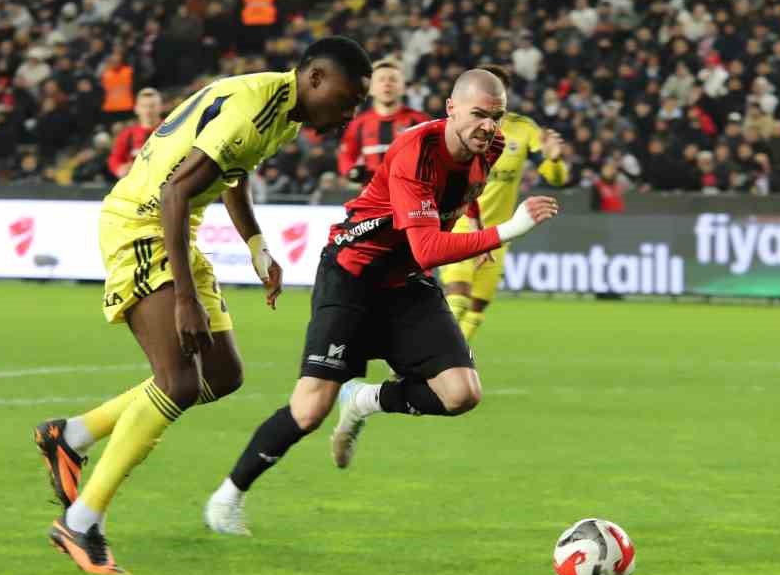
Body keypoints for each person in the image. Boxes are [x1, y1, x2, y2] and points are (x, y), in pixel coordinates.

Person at [33, 37, 373, 575]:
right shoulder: (253, 110)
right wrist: (185, 299)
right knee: (178, 382)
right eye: (349, 98)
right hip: (143, 225)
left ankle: (70, 435)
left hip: (174, 230)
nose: (351, 113)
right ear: (315, 78)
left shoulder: (280, 109)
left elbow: (231, 174)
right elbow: (174, 191)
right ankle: (81, 521)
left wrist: (257, 245)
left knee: (221, 373)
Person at [202, 69, 560, 534]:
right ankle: (228, 497)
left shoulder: (488, 148)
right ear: (451, 108)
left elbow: (466, 195)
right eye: (478, 115)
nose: (489, 127)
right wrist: (506, 230)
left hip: (404, 282)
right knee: (310, 411)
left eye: (497, 117)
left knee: (462, 394)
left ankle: (366, 399)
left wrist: (475, 223)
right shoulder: (416, 150)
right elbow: (429, 249)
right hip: (352, 273)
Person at [440, 64, 568, 343]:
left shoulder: (523, 129)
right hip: (461, 225)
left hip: (500, 233)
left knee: (476, 311)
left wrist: (554, 159)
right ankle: (427, 358)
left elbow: (555, 178)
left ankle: (447, 360)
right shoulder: (463, 125)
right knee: (457, 299)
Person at [336, 57, 429, 182]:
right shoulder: (359, 123)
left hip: (409, 195)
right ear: (370, 89)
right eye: (381, 80)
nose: (387, 84)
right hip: (371, 196)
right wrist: (352, 171)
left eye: (393, 79)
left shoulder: (420, 121)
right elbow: (346, 155)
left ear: (403, 88)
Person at [107, 88, 165, 179]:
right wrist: (119, 169)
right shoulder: (127, 134)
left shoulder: (171, 129)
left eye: (152, 106)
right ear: (136, 108)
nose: (148, 110)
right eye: (144, 106)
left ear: (161, 107)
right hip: (136, 182)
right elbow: (115, 158)